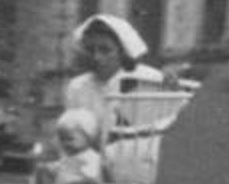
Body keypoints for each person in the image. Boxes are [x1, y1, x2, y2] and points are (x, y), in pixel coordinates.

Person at [64, 14, 166, 145]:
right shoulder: (77, 87)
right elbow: (71, 134)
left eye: (105, 50)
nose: (96, 57)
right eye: (90, 50)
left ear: (122, 52)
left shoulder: (148, 79)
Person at [39, 108, 102, 184]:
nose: (65, 144)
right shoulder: (68, 158)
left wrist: (68, 183)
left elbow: (93, 183)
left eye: (70, 139)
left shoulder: (93, 158)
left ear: (88, 136)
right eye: (62, 139)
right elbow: (60, 183)